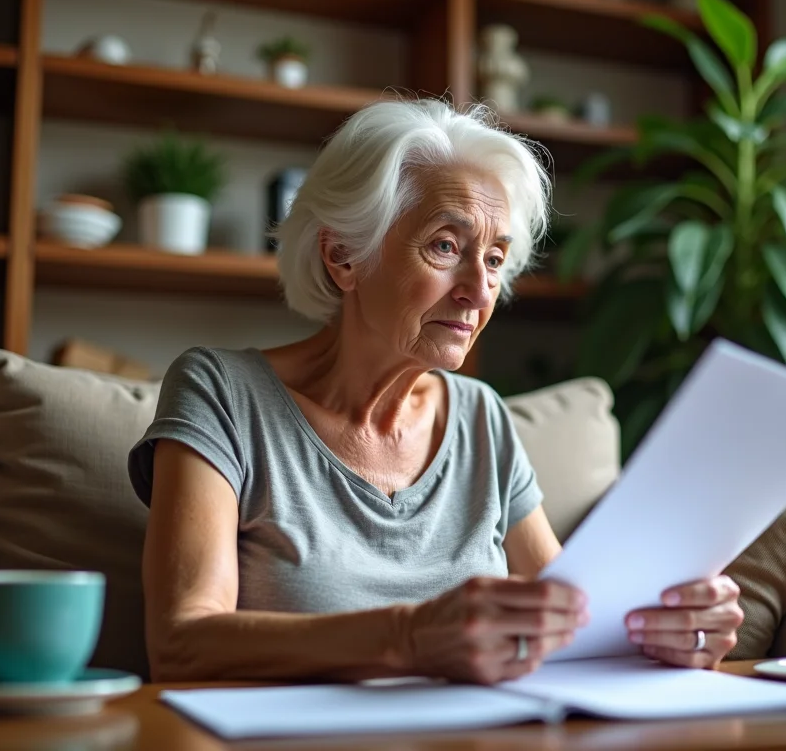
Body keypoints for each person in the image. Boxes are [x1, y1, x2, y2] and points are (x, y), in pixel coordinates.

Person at [127, 99, 742, 685]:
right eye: (446, 246)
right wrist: (408, 636)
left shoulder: (481, 417)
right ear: (344, 255)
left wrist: (667, 627)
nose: (479, 291)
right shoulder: (222, 392)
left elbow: (573, 620)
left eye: (496, 259)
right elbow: (182, 643)